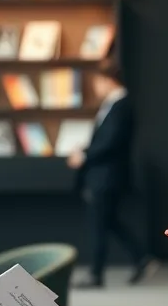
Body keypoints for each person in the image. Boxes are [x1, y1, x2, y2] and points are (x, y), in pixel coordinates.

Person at [67, 58, 157, 287]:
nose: (95, 88)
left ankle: (96, 274)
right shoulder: (112, 105)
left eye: (97, 82)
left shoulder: (121, 105)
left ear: (107, 81)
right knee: (108, 221)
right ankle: (141, 258)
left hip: (108, 177)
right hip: (103, 175)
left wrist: (85, 156)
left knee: (99, 224)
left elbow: (111, 142)